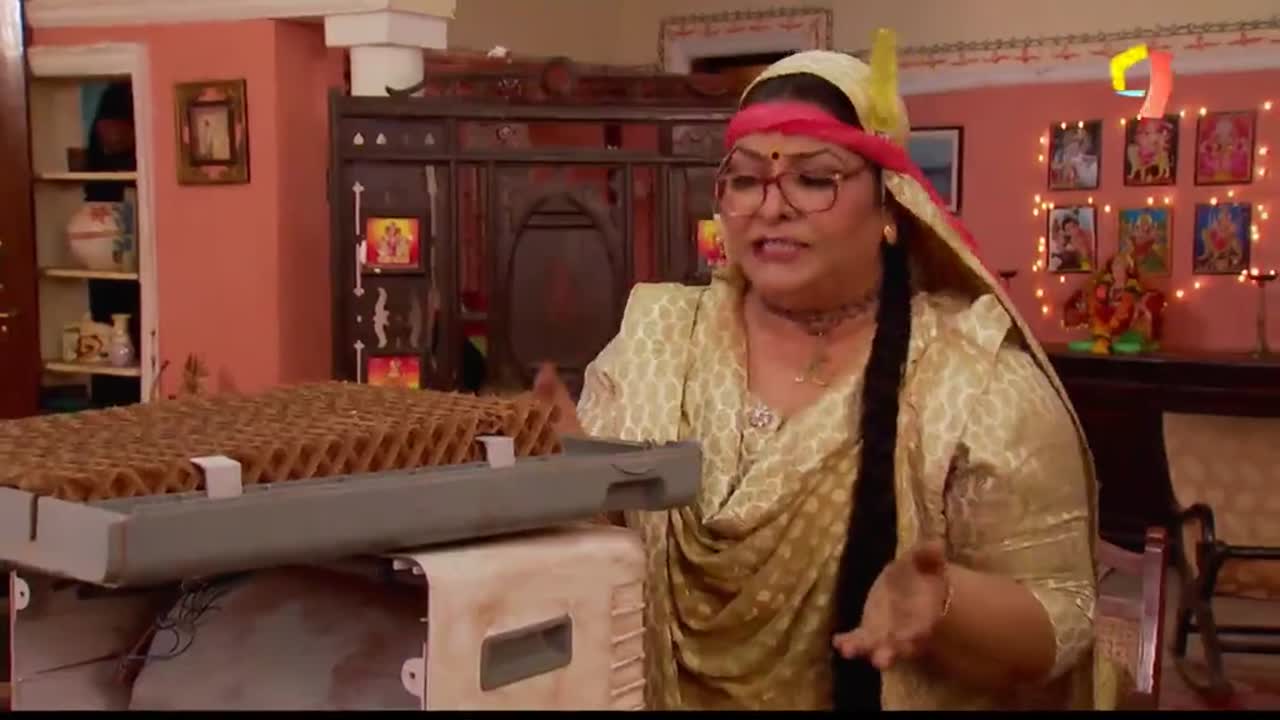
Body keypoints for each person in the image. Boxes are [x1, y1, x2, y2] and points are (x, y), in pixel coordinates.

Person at [533, 47, 1099, 710]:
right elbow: (608, 559)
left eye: (813, 179)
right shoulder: (656, 339)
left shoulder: (971, 380)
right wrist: (562, 484)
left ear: (889, 205)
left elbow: (1065, 616)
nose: (771, 207)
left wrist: (948, 606)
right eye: (746, 180)